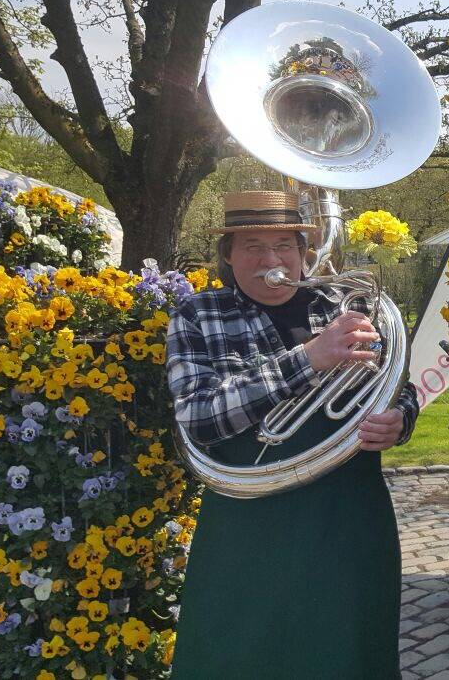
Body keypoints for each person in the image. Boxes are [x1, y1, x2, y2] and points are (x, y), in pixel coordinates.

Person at [166, 191, 418, 678]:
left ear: (305, 252)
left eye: (284, 245)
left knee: (347, 652)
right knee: (241, 653)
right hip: (250, 522)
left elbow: (396, 385)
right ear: (228, 256)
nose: (271, 260)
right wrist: (306, 360)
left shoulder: (347, 306)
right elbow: (198, 416)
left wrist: (399, 419)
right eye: (252, 246)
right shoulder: (198, 313)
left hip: (349, 513)